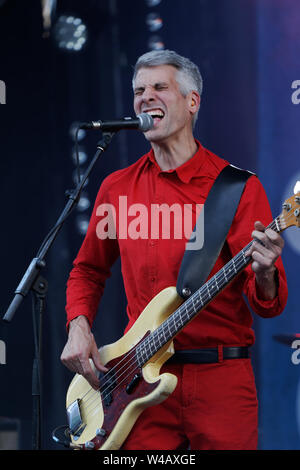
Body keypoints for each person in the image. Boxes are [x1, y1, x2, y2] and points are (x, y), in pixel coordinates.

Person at [61, 50, 288, 450]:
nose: (145, 97)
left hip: (220, 378)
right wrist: (78, 325)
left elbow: (267, 303)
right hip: (135, 382)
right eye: (138, 91)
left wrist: (267, 271)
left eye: (159, 87)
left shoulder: (236, 188)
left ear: (192, 101)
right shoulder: (117, 188)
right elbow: (88, 270)